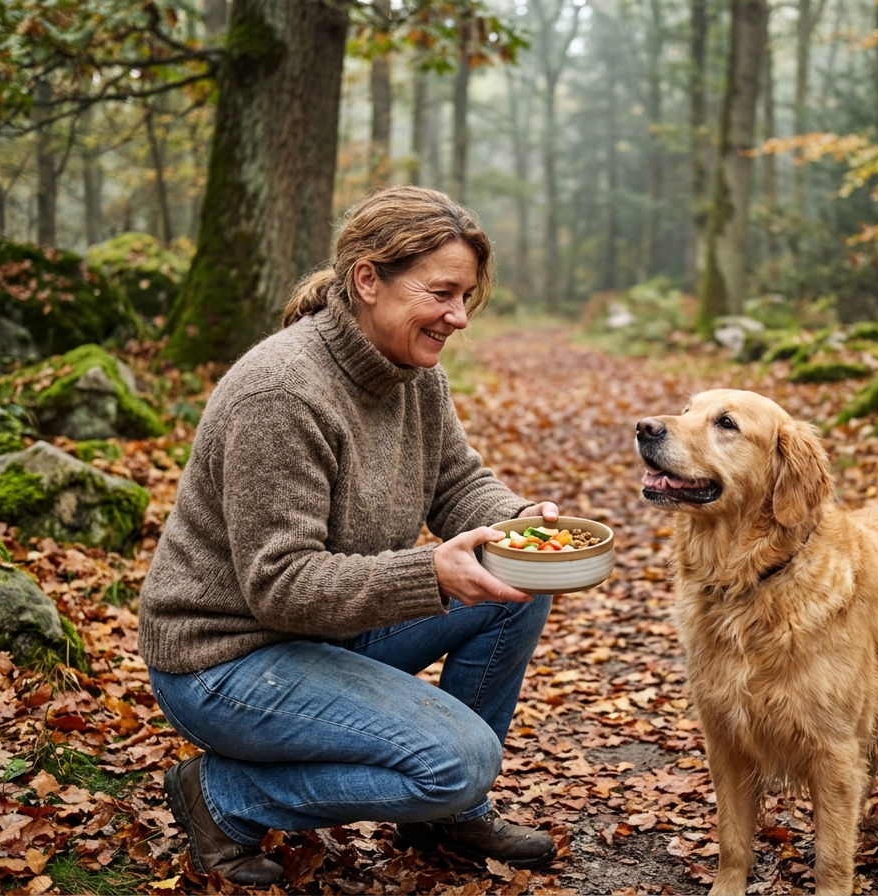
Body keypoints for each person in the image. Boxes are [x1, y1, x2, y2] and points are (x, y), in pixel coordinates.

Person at [138, 186, 562, 885]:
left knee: (517, 583)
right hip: (226, 661)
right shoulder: (280, 394)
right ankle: (221, 798)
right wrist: (432, 573)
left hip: (327, 630)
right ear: (368, 279)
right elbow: (282, 585)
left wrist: (518, 526)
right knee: (460, 759)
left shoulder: (414, 376)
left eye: (467, 298)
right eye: (443, 293)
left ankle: (445, 818)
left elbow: (457, 484)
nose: (458, 316)